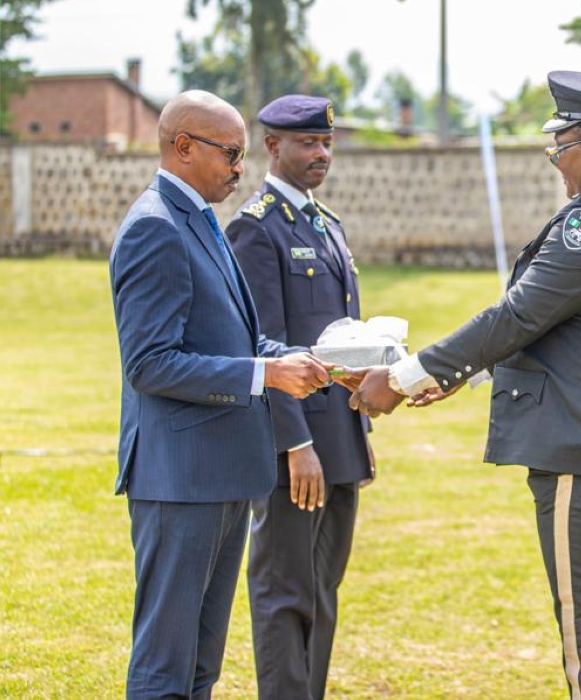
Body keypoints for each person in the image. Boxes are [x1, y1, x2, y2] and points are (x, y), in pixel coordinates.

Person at [341, 70, 581, 700]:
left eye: (559, 146)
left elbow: (517, 314)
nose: (555, 162)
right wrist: (467, 374)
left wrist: (404, 378)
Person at [108, 89, 331, 699]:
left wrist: (301, 360)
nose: (241, 167)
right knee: (165, 667)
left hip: (227, 473)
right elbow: (151, 364)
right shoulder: (154, 227)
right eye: (231, 152)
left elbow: (243, 336)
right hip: (180, 479)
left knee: (202, 664)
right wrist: (264, 376)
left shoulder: (202, 218)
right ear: (183, 147)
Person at [226, 94, 373, 700]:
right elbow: (265, 348)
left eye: (326, 142)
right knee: (286, 592)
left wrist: (357, 436)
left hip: (337, 440)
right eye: (308, 143)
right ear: (273, 147)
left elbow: (344, 343)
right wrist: (297, 443)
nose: (321, 154)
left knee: (322, 591)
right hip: (297, 451)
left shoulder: (325, 224)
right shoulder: (255, 228)